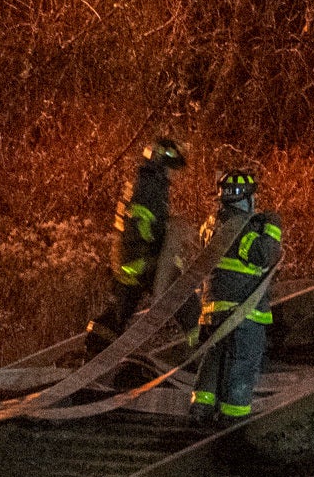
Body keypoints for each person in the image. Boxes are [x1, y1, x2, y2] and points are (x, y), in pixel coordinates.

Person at [189, 165, 282, 426]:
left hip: (213, 310)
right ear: (246, 198)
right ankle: (233, 419)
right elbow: (265, 255)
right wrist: (273, 226)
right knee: (243, 363)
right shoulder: (241, 228)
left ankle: (201, 408)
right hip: (242, 312)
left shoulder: (211, 225)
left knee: (214, 359)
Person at [91, 133, 187, 348]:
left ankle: (96, 348)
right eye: (172, 169)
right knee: (181, 294)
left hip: (131, 259)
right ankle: (195, 342)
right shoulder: (150, 187)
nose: (174, 175)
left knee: (120, 312)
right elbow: (142, 224)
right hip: (139, 261)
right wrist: (160, 246)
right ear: (162, 164)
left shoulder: (147, 182)